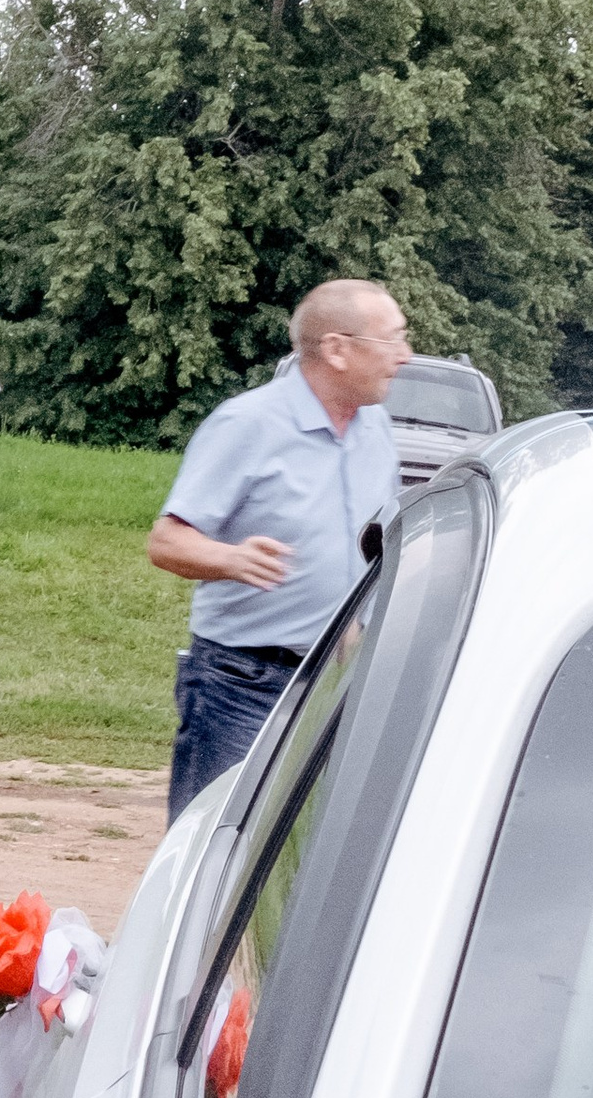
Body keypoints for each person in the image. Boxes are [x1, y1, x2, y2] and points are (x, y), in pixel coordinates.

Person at [149, 277, 410, 824]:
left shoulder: (377, 430)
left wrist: (355, 628)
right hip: (240, 684)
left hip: (331, 683)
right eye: (392, 341)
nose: (404, 357)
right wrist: (230, 559)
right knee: (215, 850)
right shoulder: (247, 424)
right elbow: (166, 542)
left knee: (300, 853)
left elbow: (362, 550)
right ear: (337, 349)